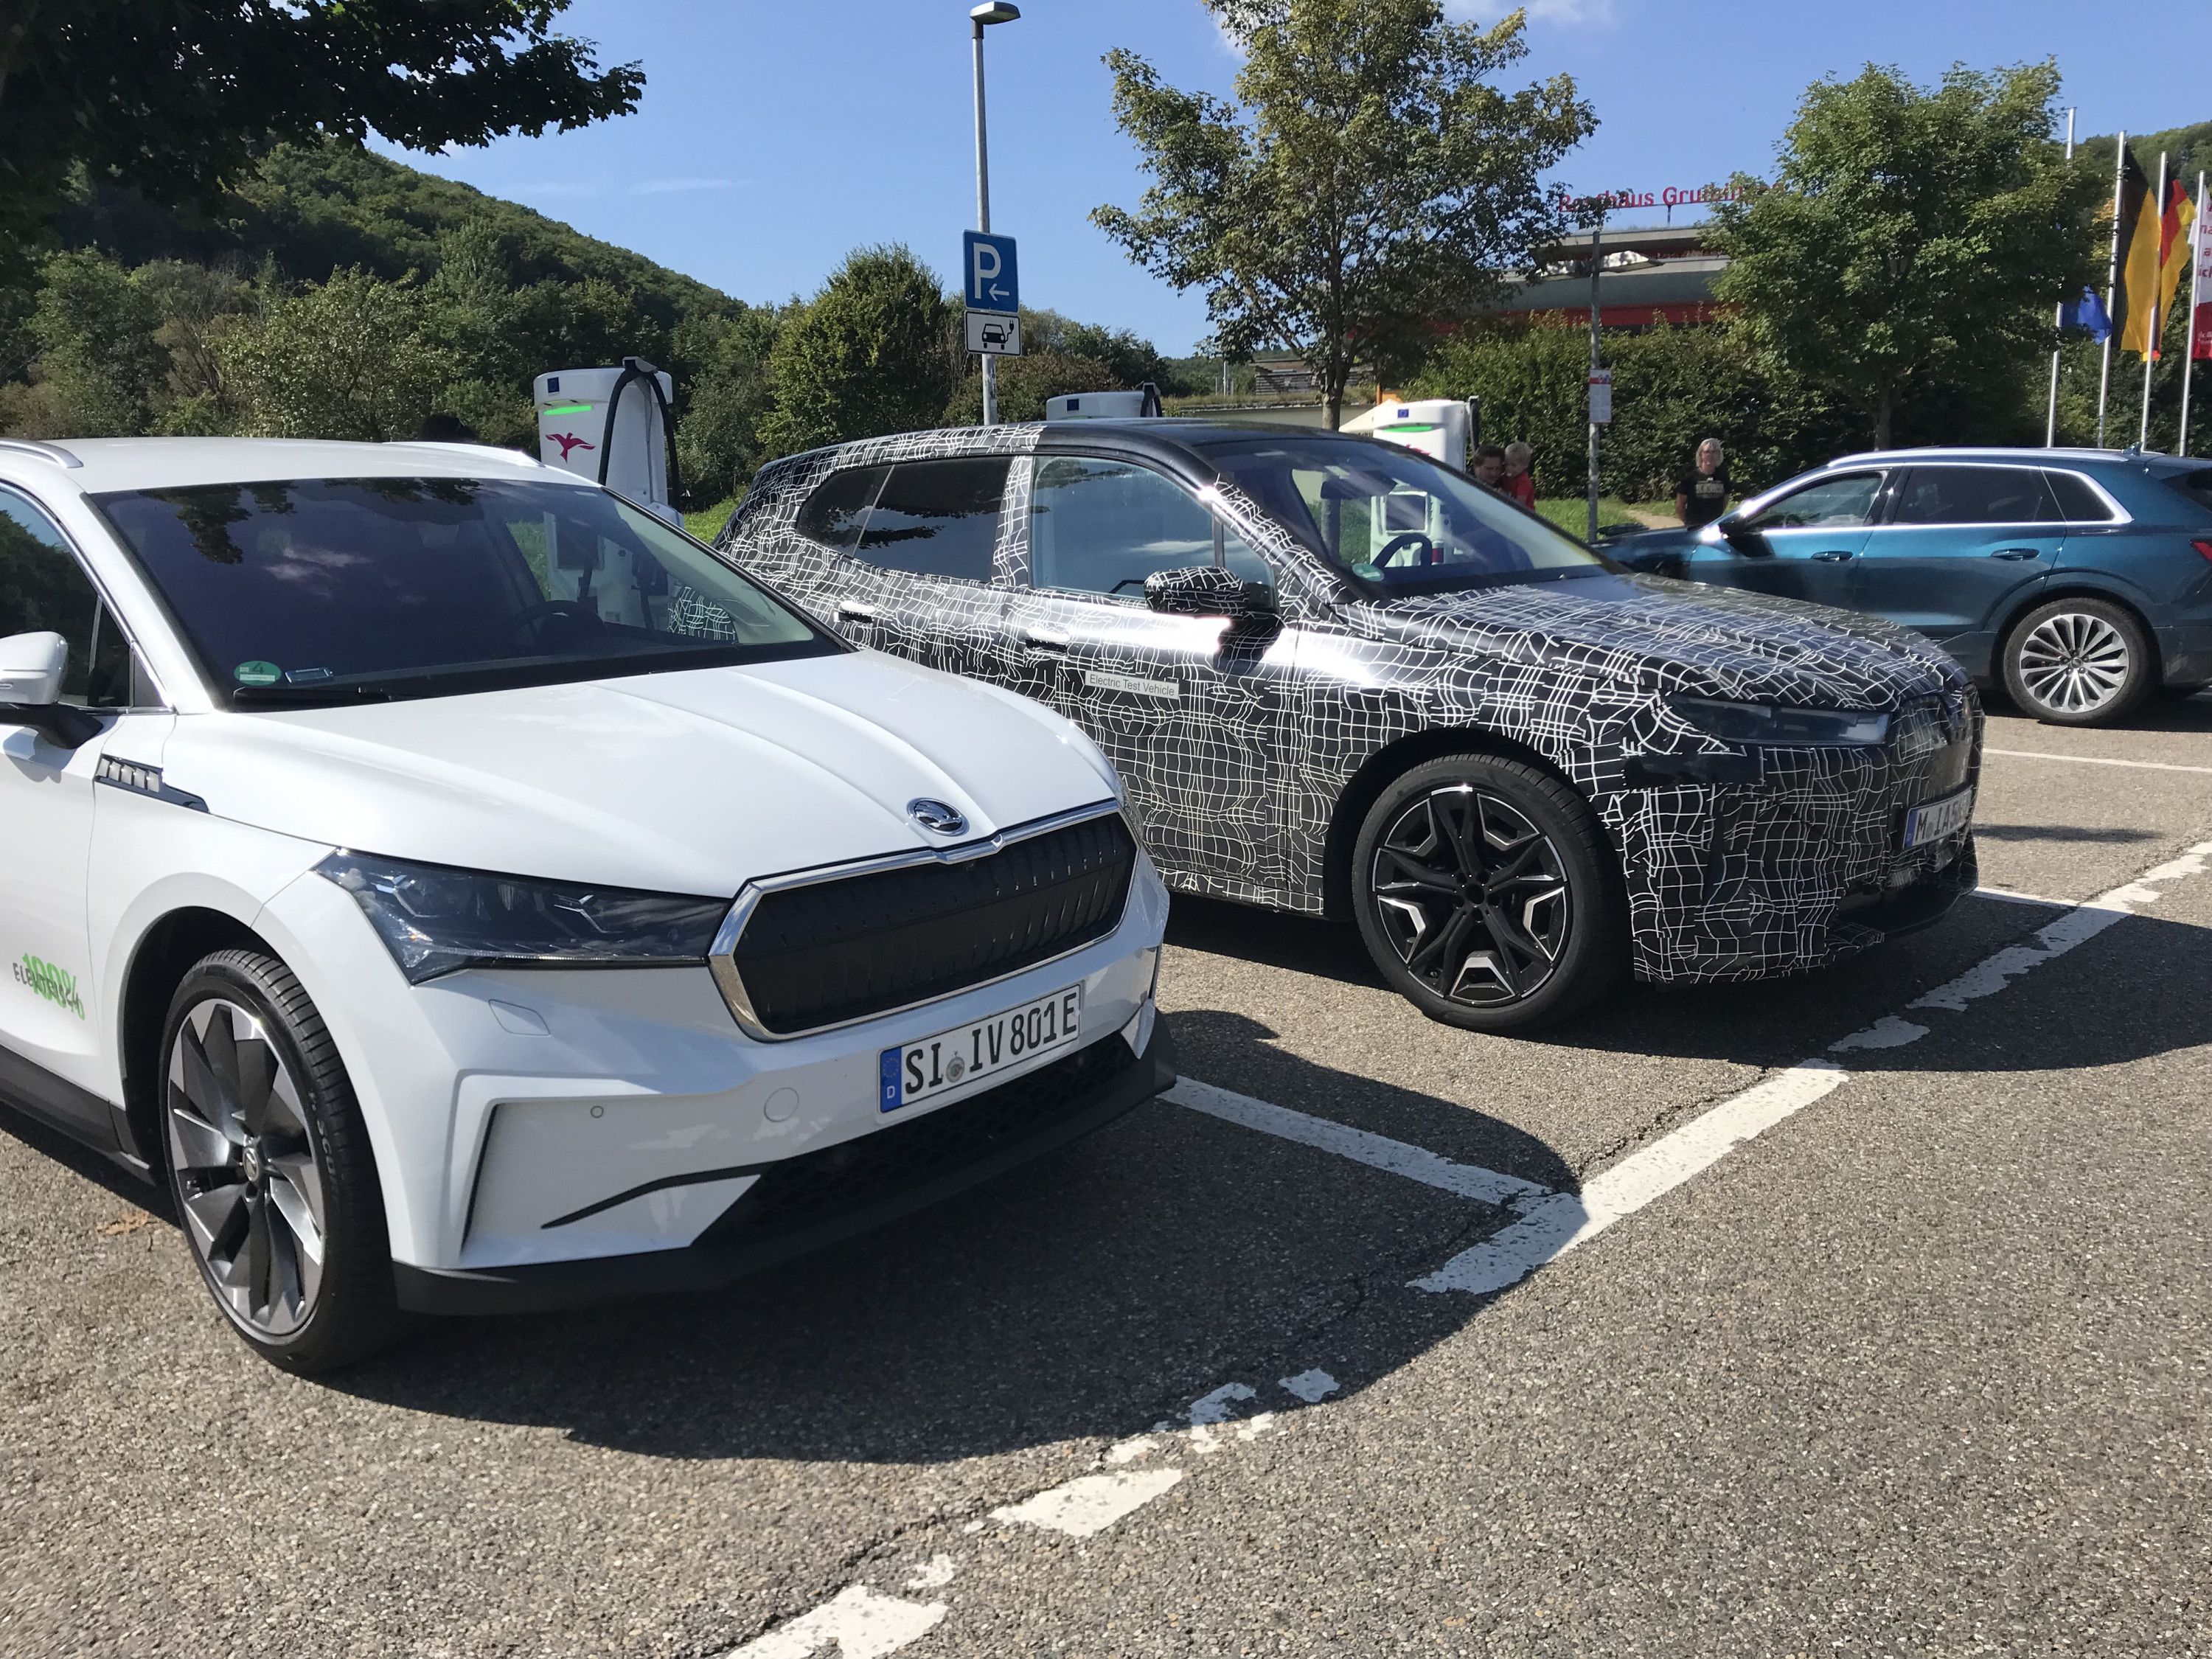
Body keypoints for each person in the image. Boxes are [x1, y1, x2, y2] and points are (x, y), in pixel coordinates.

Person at [1674, 438, 1731, 528]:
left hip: (1715, 526)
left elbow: (1725, 502)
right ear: (1701, 454)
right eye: (1707, 452)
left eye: (1714, 452)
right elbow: (1680, 505)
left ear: (1719, 455)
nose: (1710, 455)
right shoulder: (1690, 477)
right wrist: (1688, 523)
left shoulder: (1723, 477)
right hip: (1694, 526)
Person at [1502, 442, 1537, 509]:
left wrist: (1503, 496)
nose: (1509, 468)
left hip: (1525, 515)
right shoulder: (1505, 477)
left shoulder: (1524, 482)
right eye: (1506, 464)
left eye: (1513, 465)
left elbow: (1520, 504)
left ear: (1525, 465)